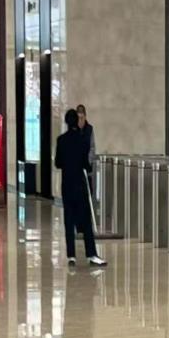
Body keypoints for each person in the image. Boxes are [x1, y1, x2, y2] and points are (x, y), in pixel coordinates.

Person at [55, 109, 106, 267]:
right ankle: (91, 254)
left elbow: (57, 163)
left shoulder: (61, 140)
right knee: (86, 220)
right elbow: (86, 164)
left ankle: (71, 256)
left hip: (66, 185)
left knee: (68, 220)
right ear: (77, 121)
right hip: (80, 185)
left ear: (66, 122)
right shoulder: (82, 140)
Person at [76, 104, 96, 193]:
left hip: (87, 167)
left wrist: (88, 160)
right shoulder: (73, 130)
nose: (80, 120)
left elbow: (92, 147)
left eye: (82, 118)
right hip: (76, 168)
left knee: (87, 191)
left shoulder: (89, 129)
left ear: (85, 116)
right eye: (78, 118)